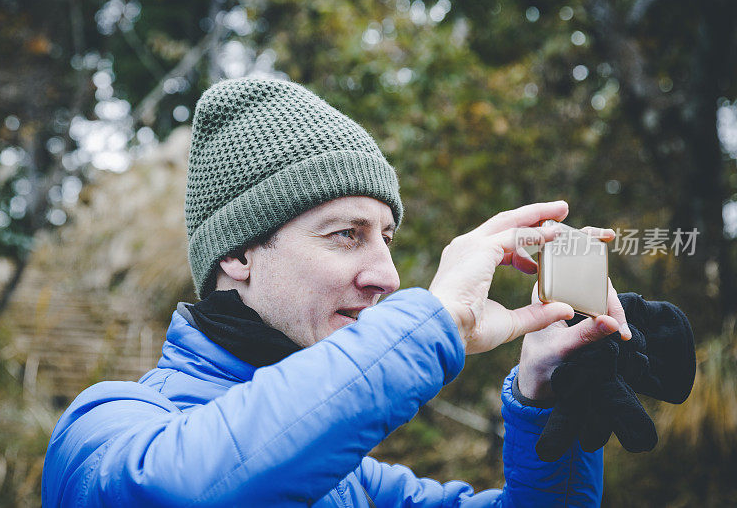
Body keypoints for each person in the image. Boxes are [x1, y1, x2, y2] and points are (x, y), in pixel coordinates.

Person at [42, 78, 632, 507]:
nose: (389, 275)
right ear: (239, 252)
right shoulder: (108, 430)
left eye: (386, 237)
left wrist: (546, 397)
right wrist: (435, 322)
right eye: (346, 234)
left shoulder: (359, 483)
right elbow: (183, 491)